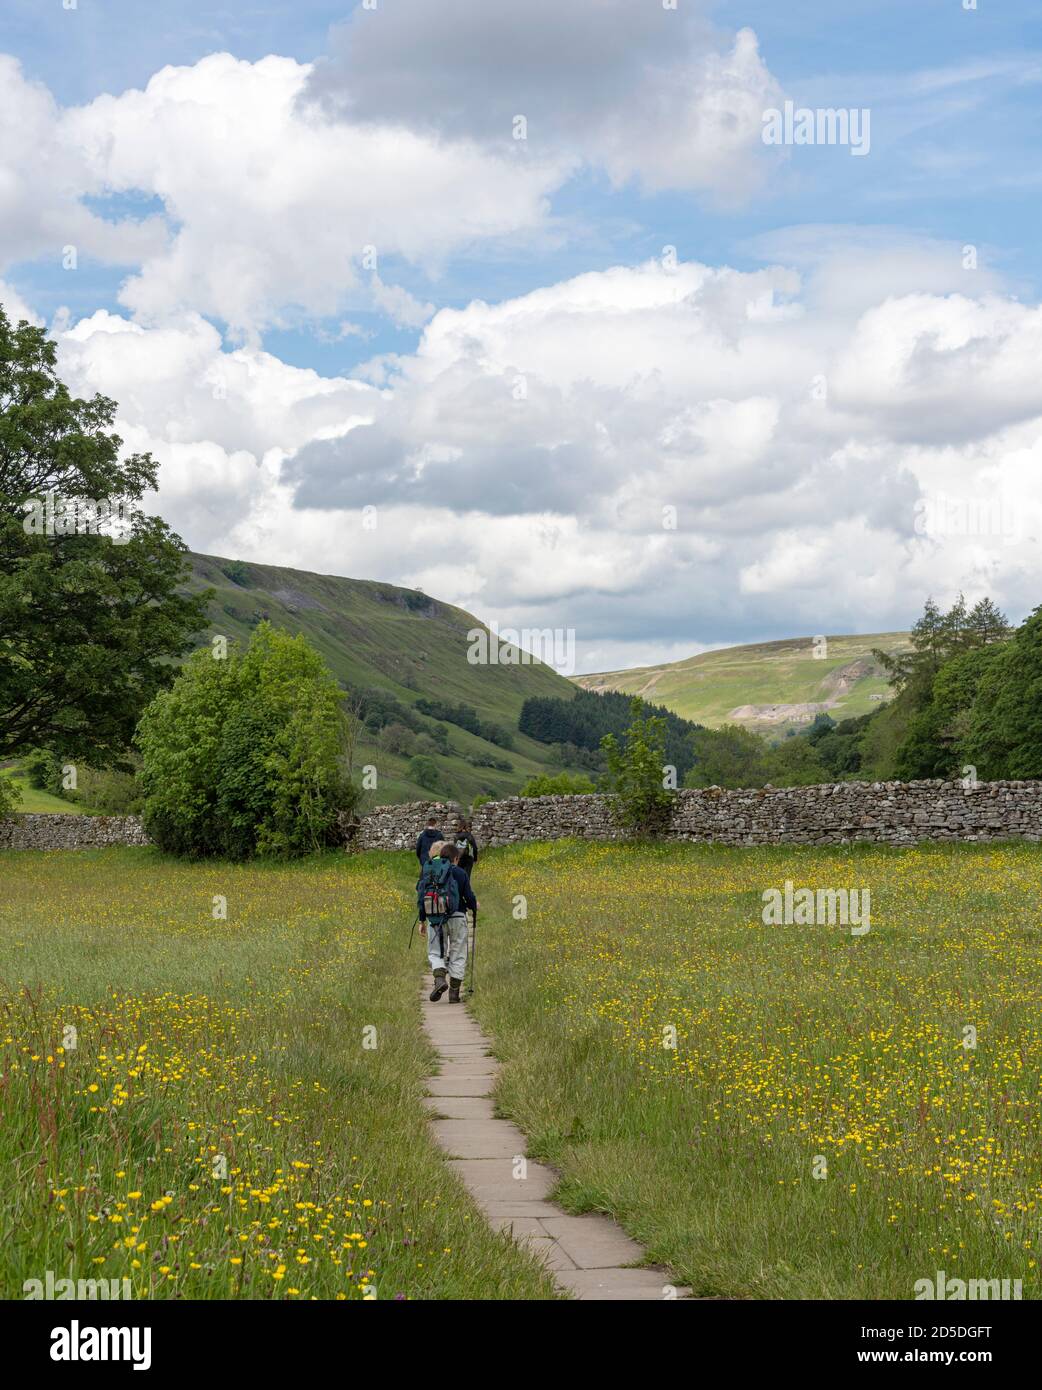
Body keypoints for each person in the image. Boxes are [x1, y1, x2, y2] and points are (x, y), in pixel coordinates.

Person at [418, 842, 477, 1004]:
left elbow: (422, 896)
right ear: (456, 858)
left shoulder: (430, 871)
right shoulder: (460, 873)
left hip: (435, 918)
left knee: (435, 952)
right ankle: (454, 993)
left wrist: (422, 919)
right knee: (458, 952)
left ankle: (439, 980)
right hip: (457, 916)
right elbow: (468, 895)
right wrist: (474, 908)